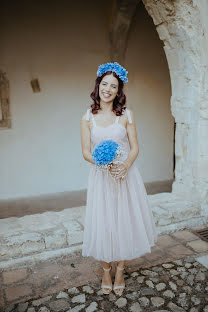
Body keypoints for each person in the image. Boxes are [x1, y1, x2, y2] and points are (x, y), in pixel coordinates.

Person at [80, 62, 158, 296]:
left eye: (113, 86)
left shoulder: (126, 114)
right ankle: (106, 270)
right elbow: (85, 152)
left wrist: (124, 166)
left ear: (118, 90)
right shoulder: (87, 117)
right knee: (104, 222)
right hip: (101, 178)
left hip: (125, 177)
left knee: (124, 221)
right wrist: (103, 162)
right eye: (105, 84)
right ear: (98, 86)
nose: (108, 89)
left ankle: (121, 269)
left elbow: (135, 148)